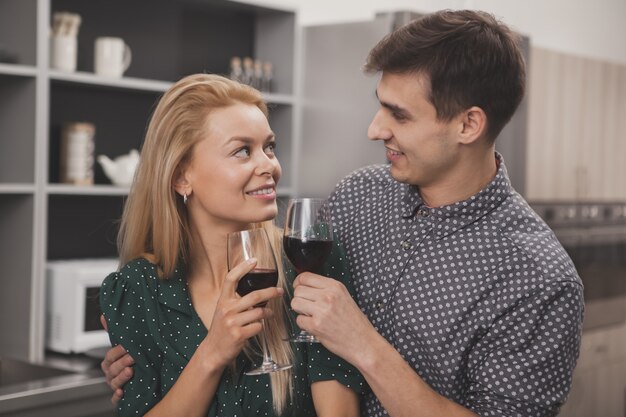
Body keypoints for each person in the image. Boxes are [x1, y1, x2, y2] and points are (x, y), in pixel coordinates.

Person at [103, 10, 584, 417]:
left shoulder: (538, 277)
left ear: (468, 124)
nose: (375, 130)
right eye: (380, 107)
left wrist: (364, 345)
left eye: (399, 115)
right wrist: (156, 359)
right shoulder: (359, 197)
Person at [99, 73, 362, 417]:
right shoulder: (137, 289)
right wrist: (213, 352)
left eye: (269, 147)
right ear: (181, 177)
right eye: (242, 151)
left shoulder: (309, 267)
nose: (269, 165)